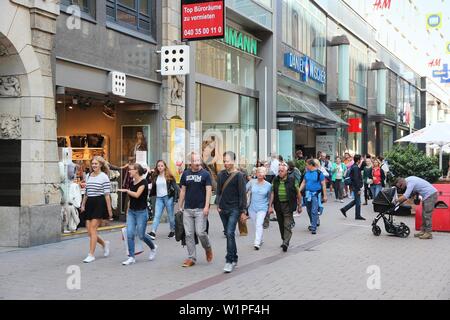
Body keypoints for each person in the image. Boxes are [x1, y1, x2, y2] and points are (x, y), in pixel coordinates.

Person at [178, 152, 214, 267]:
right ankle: (191, 258)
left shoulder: (206, 174)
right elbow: (183, 190)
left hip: (200, 209)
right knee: (188, 234)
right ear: (191, 162)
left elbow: (208, 190)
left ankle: (207, 248)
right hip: (188, 209)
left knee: (200, 232)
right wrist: (180, 206)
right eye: (195, 161)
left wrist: (207, 206)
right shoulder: (185, 174)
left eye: (199, 160)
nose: (197, 163)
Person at [117, 163, 157, 265]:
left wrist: (126, 190)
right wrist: (127, 211)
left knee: (141, 235)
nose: (129, 171)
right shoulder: (132, 182)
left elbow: (137, 195)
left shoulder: (143, 182)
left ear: (136, 171)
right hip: (131, 212)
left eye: (130, 170)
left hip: (141, 212)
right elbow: (131, 199)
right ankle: (131, 257)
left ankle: (153, 247)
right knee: (130, 234)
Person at [217, 151, 247, 273]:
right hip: (222, 209)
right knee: (230, 234)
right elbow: (218, 191)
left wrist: (243, 211)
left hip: (234, 209)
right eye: (224, 161)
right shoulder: (220, 175)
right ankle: (234, 257)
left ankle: (229, 261)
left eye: (227, 161)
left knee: (229, 232)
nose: (225, 163)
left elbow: (242, 194)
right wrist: (218, 205)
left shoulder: (239, 176)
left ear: (233, 161)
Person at [80, 156, 113, 263]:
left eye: (96, 163)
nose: (94, 165)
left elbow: (107, 195)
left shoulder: (104, 177)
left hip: (99, 203)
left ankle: (91, 254)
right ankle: (104, 243)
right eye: (93, 163)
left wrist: (109, 210)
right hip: (90, 203)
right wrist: (83, 204)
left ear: (101, 165)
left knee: (93, 229)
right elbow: (86, 192)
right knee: (89, 232)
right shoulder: (89, 175)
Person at [269, 162, 302, 252]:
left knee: (286, 224)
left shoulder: (292, 180)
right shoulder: (275, 180)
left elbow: (298, 193)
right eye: (279, 171)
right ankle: (284, 239)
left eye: (282, 171)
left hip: (288, 205)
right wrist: (270, 206)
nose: (280, 172)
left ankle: (286, 243)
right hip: (278, 205)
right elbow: (272, 193)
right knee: (281, 224)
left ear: (286, 171)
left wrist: (300, 205)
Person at [148, 160, 180, 240]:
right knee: (157, 216)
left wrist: (176, 199)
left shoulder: (169, 176)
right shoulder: (155, 176)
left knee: (170, 216)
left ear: (165, 166)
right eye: (158, 166)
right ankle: (153, 232)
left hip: (168, 197)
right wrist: (149, 173)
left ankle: (173, 231)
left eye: (161, 166)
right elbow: (148, 182)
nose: (160, 167)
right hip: (159, 198)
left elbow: (176, 188)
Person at [246, 167, 272, 250]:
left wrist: (270, 207)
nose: (260, 174)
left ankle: (256, 243)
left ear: (265, 174)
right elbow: (244, 190)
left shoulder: (268, 185)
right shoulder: (251, 182)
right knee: (256, 225)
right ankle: (260, 239)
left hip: (263, 207)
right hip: (252, 208)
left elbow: (270, 196)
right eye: (258, 172)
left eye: (262, 172)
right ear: (256, 174)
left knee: (259, 224)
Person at [299, 160, 327, 234]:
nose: (306, 166)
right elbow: (303, 182)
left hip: (315, 194)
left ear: (311, 165)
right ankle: (313, 222)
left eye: (307, 165)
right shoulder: (306, 173)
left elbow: (323, 184)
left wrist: (325, 195)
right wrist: (299, 191)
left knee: (314, 210)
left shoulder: (319, 173)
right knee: (308, 210)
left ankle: (314, 227)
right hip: (307, 194)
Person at [340, 154, 366, 220]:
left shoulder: (354, 166)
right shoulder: (355, 167)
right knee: (358, 202)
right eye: (360, 159)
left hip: (354, 186)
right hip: (356, 187)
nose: (361, 160)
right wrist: (359, 188)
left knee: (356, 200)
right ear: (358, 160)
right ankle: (357, 215)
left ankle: (344, 209)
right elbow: (356, 179)